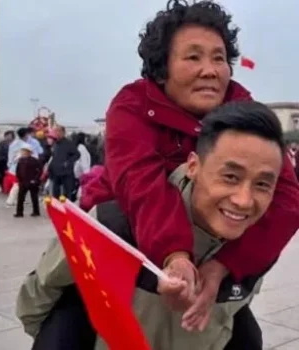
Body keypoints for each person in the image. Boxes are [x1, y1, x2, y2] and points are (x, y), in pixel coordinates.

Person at [79, 0, 299, 324]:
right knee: (69, 329)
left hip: (209, 253)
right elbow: (141, 184)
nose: (209, 70)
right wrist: (176, 255)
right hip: (121, 240)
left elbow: (287, 197)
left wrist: (223, 265)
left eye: (219, 58)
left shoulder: (243, 110)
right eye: (193, 57)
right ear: (162, 68)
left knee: (245, 337)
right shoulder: (133, 106)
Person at [18, 101, 287, 350]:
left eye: (263, 184)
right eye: (230, 177)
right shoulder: (113, 227)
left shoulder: (254, 247)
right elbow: (36, 301)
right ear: (193, 166)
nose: (243, 200)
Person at [46, 125, 80, 201]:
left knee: (67, 193)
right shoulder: (55, 143)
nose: (56, 133)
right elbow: (52, 157)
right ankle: (56, 208)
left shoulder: (69, 143)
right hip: (55, 172)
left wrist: (68, 162)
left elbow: (77, 154)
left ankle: (68, 209)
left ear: (63, 132)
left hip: (66, 172)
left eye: (58, 131)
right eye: (55, 131)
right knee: (55, 193)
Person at [14, 143, 42, 218]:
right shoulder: (20, 161)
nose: (23, 152)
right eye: (22, 151)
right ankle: (19, 212)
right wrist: (19, 179)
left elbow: (39, 171)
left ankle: (36, 211)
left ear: (29, 152)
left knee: (34, 197)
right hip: (23, 182)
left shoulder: (35, 161)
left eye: (25, 151)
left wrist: (35, 180)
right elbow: (18, 170)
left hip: (32, 182)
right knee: (20, 198)